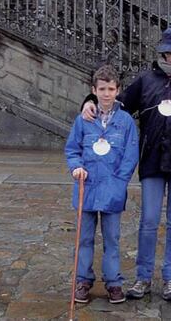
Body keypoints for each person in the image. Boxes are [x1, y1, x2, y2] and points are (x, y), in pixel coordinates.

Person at [81, 26, 171, 301]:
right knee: (149, 220)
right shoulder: (145, 81)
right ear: (166, 52)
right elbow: (116, 105)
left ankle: (170, 278)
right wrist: (89, 101)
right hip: (152, 161)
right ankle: (143, 277)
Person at [65, 64, 139, 305]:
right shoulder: (83, 119)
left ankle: (114, 282)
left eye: (111, 89)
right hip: (86, 186)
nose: (106, 94)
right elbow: (72, 148)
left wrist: (120, 182)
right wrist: (75, 166)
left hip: (112, 188)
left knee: (112, 239)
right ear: (93, 90)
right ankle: (83, 280)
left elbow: (130, 155)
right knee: (84, 238)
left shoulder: (126, 122)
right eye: (102, 89)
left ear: (118, 91)